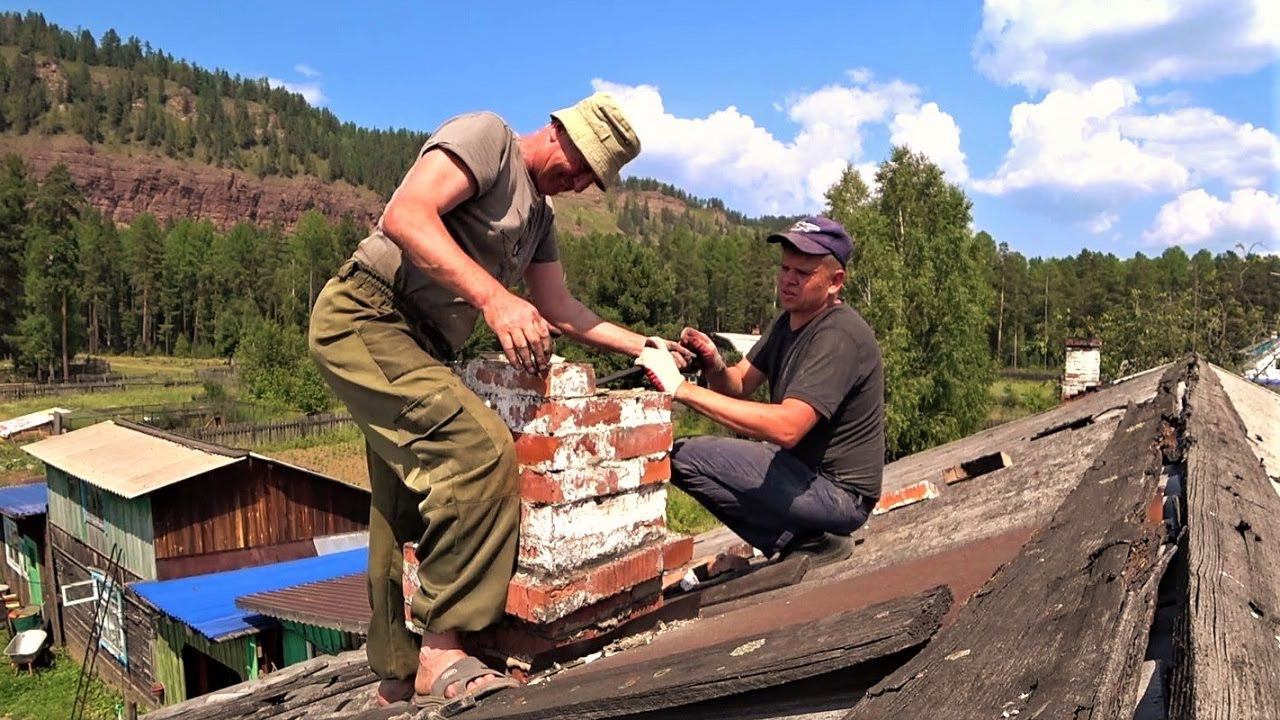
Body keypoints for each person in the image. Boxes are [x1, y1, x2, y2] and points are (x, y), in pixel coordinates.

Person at [308, 93, 690, 708]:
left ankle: (397, 672)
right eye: (582, 161)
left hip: (418, 343)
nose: (581, 180)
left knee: (404, 499)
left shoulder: (540, 219)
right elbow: (406, 214)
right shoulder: (487, 138)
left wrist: (644, 345)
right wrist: (494, 299)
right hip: (368, 316)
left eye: (594, 178)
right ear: (559, 128)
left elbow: (560, 308)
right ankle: (440, 650)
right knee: (478, 454)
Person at [635, 216, 884, 565]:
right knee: (685, 460)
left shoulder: (838, 335)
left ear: (835, 282)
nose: (788, 280)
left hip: (841, 495)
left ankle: (810, 538)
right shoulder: (789, 321)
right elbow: (738, 383)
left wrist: (680, 389)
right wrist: (712, 362)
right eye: (784, 269)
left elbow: (788, 427)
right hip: (804, 477)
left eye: (802, 273)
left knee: (684, 456)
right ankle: (805, 540)